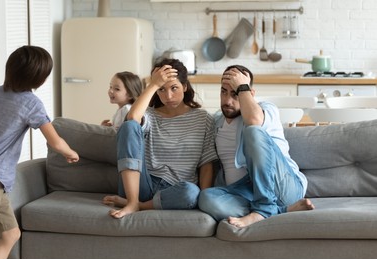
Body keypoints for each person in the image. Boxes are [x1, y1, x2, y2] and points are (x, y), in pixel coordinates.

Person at [0, 45, 79, 259]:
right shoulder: (30, 104)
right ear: (41, 80)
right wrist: (70, 152)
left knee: (10, 234)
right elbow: (55, 142)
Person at [198, 65, 314, 228]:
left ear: (249, 93)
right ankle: (279, 210)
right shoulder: (216, 122)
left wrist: (242, 87)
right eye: (224, 92)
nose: (228, 101)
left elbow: (253, 120)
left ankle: (264, 209)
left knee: (253, 131)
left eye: (235, 93)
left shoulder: (266, 109)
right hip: (246, 191)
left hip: (283, 185)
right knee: (206, 198)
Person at [103, 58, 218, 218]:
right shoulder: (149, 114)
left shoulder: (203, 119)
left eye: (174, 88)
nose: (168, 96)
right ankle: (132, 201)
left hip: (175, 191)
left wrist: (206, 201)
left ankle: (139, 206)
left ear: (185, 87)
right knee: (129, 125)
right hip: (141, 185)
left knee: (191, 192)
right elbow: (133, 118)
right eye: (162, 90)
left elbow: (206, 163)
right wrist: (153, 84)